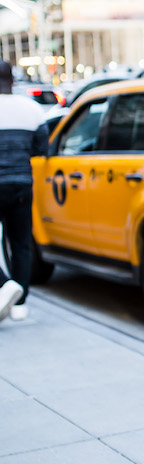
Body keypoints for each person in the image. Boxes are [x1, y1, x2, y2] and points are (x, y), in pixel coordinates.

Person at [0, 61, 49, 322]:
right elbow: (42, 147)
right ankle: (19, 303)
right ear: (13, 81)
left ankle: (4, 285)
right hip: (21, 184)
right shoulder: (31, 110)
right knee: (20, 243)